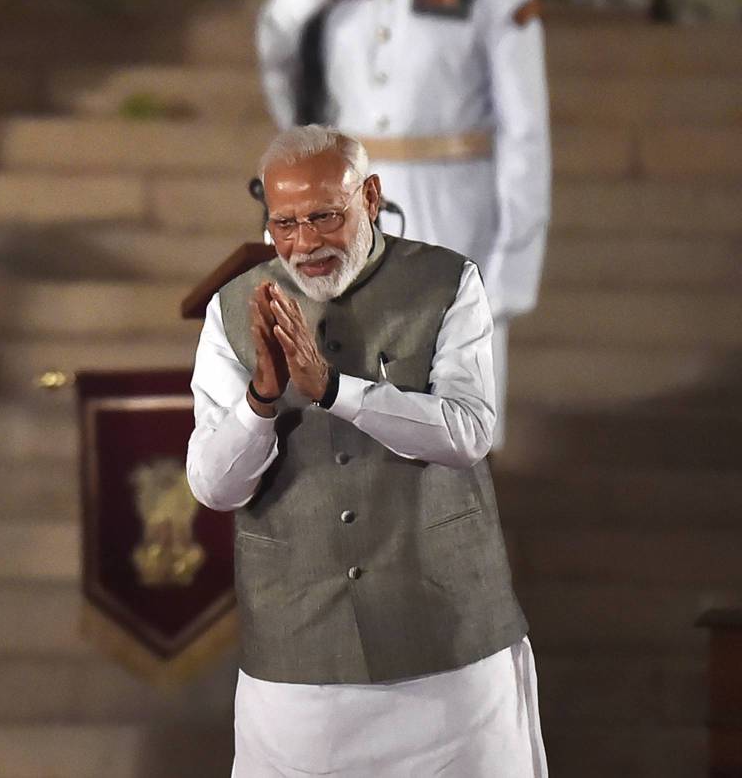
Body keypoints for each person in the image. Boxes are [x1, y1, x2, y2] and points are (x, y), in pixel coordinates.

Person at [186, 128, 546, 777]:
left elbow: (468, 433)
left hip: (448, 651)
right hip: (298, 667)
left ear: (371, 197)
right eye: (285, 224)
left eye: (325, 216)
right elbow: (214, 487)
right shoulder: (232, 309)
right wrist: (260, 400)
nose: (305, 243)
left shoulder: (447, 282)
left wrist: (334, 390)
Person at [255, 0, 549, 444]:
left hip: (455, 208)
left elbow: (526, 133)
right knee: (344, 409)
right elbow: (278, 60)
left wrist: (512, 269)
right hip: (347, 207)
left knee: (455, 417)